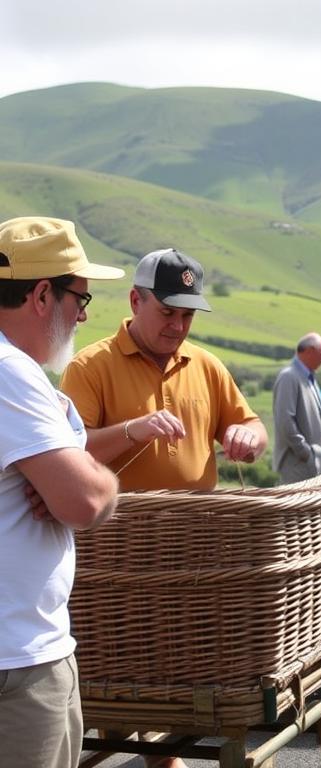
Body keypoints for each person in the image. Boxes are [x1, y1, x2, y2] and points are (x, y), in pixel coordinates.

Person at [0, 216, 121, 768]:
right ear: (43, 294)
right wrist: (97, 476)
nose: (85, 313)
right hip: (19, 658)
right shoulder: (10, 372)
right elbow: (85, 501)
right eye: (80, 296)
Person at [61, 248, 268, 492]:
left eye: (188, 315)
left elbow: (255, 428)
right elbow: (68, 456)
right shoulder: (88, 367)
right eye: (167, 312)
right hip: (119, 527)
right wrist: (132, 431)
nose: (178, 326)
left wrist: (248, 438)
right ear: (136, 301)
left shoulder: (207, 365)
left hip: (203, 525)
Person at [272, 333, 321, 483]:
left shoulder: (308, 377)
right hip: (297, 465)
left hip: (311, 465)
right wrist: (305, 453)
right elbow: (285, 421)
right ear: (310, 351)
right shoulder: (289, 376)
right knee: (296, 507)